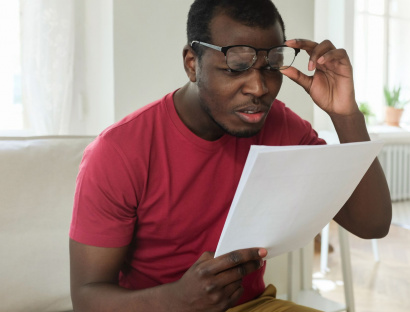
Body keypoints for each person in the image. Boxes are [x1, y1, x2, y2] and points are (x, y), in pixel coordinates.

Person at [69, 0, 392, 311]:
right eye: (237, 66)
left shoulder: (281, 127)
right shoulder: (119, 151)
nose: (258, 87)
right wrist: (176, 302)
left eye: (271, 65)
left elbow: (372, 224)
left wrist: (345, 115)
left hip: (251, 306)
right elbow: (86, 298)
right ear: (192, 64)